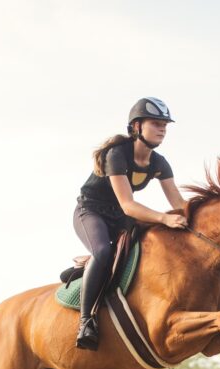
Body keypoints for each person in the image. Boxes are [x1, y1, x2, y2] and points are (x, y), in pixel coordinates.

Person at [73, 97, 188, 350]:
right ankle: (86, 321)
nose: (162, 129)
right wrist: (164, 217)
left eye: (165, 125)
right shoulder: (117, 154)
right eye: (156, 123)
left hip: (118, 215)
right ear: (136, 127)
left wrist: (198, 218)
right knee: (103, 251)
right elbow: (128, 204)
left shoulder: (159, 162)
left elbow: (178, 201)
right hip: (91, 211)